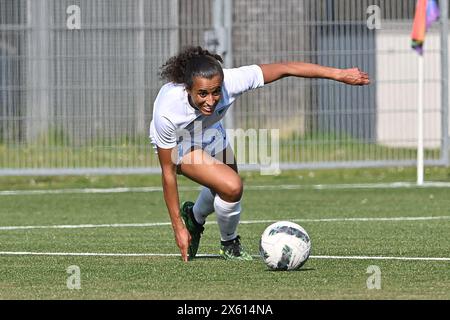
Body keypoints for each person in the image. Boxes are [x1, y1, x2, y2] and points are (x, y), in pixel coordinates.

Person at [150, 46, 370, 262]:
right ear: (188, 88)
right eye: (203, 94)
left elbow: (286, 68)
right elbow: (168, 173)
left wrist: (339, 74)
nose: (211, 99)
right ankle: (230, 244)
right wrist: (177, 227)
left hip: (209, 131)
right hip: (180, 141)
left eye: (216, 91)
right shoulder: (168, 112)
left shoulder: (233, 80)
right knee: (232, 185)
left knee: (226, 189)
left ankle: (195, 218)